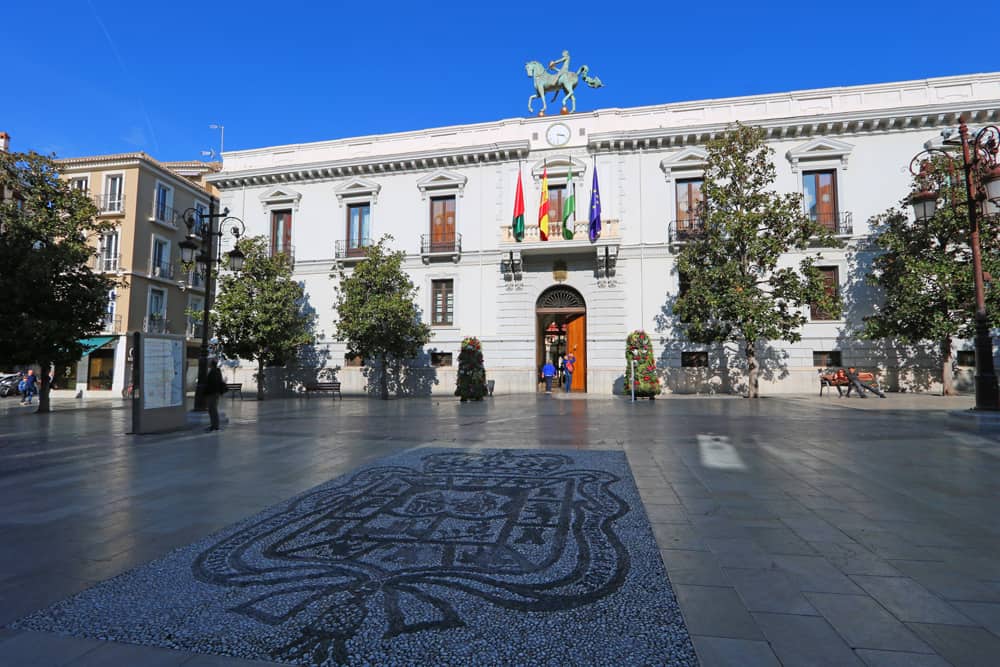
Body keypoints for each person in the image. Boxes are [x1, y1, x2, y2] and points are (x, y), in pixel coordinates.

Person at [204, 360, 226, 431]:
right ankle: (214, 425)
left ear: (212, 365)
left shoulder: (214, 372)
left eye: (209, 363)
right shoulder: (216, 371)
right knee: (212, 410)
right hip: (214, 393)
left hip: (212, 393)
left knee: (212, 409)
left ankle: (215, 426)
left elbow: (212, 383)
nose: (208, 364)